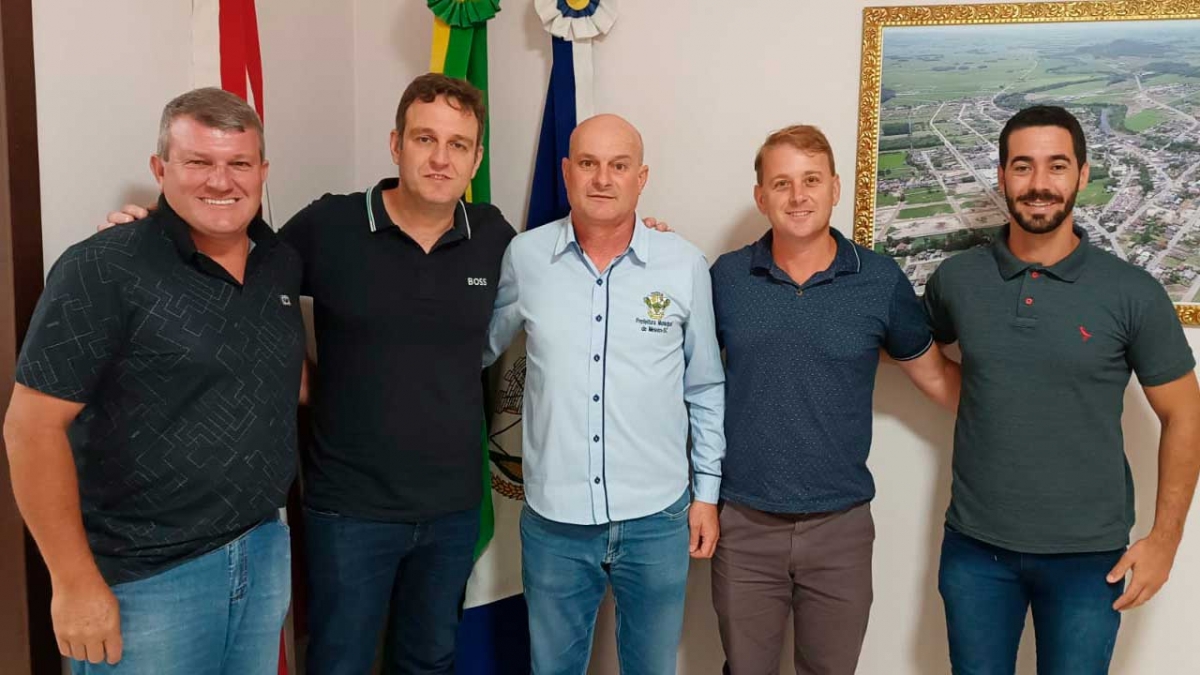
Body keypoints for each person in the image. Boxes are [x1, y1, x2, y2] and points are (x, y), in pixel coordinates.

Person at [4, 87, 303, 674]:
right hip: (145, 577)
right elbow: (30, 429)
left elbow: (280, 375)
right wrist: (73, 582)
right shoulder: (103, 266)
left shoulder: (280, 263)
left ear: (263, 172)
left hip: (263, 547)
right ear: (160, 169)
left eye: (239, 163)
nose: (221, 181)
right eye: (198, 162)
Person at [925, 104, 1200, 674]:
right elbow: (921, 352)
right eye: (1022, 166)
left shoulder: (1133, 292)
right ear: (1002, 176)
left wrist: (1165, 542)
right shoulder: (957, 280)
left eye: (1056, 165)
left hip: (1090, 559)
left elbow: (1186, 415)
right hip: (976, 551)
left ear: (1082, 173)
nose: (1039, 184)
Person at [708, 124, 961, 675]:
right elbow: (682, 374)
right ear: (761, 196)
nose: (798, 196)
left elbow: (938, 379)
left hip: (840, 528)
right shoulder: (726, 278)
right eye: (782, 183)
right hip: (745, 522)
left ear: (835, 188)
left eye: (811, 180)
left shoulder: (879, 280)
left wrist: (1018, 413)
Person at [483, 114, 725, 675]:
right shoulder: (525, 257)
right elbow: (477, 349)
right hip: (555, 521)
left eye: (619, 165)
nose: (602, 179)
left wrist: (707, 493)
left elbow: (705, 386)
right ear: (567, 172)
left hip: (657, 517)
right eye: (588, 164)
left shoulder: (683, 264)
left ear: (641, 177)